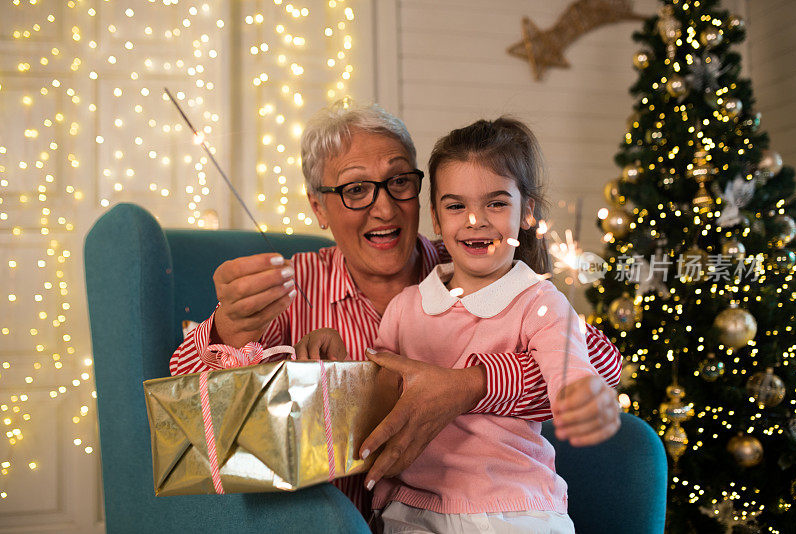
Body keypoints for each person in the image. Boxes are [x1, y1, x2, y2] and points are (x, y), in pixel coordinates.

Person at [169, 101, 622, 517]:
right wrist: (229, 329)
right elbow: (187, 419)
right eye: (355, 189)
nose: (383, 207)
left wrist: (470, 385)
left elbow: (601, 366)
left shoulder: (472, 264)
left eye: (398, 181)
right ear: (318, 207)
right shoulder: (287, 286)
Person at [359, 117, 602, 533]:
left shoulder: (538, 300)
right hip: (413, 507)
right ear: (436, 218)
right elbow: (375, 391)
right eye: (456, 206)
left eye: (495, 203)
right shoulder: (406, 307)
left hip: (512, 506)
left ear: (526, 212)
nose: (475, 220)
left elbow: (569, 364)